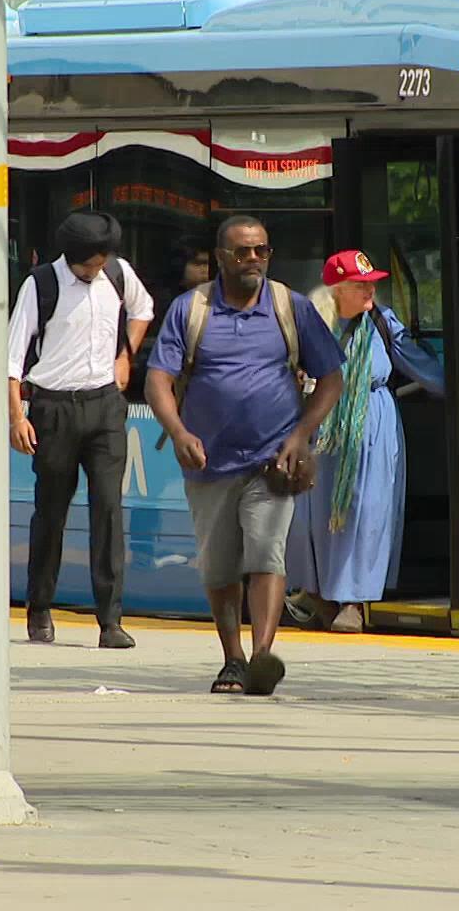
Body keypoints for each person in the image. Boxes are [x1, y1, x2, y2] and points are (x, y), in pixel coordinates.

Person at [145, 215, 345, 696]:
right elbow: (157, 380)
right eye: (242, 252)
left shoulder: (289, 306)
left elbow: (332, 378)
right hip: (208, 462)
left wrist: (299, 436)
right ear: (220, 258)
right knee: (218, 567)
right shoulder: (190, 309)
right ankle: (231, 658)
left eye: (261, 250)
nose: (253, 259)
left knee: (266, 553)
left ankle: (260, 657)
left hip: (272, 460)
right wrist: (178, 431)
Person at [7, 212, 154, 649]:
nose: (95, 272)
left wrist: (126, 355)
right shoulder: (40, 285)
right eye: (88, 266)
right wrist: (18, 417)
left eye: (101, 263)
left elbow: (143, 309)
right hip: (54, 408)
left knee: (108, 509)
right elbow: (13, 361)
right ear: (71, 258)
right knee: (51, 512)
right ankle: (40, 608)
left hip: (105, 406)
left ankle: (110, 620)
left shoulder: (117, 273)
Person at [286, 250, 446, 633]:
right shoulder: (309, 323)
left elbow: (422, 368)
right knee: (319, 512)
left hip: (373, 421)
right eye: (362, 287)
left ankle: (354, 600)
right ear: (338, 290)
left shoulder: (381, 321)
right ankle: (317, 591)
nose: (371, 294)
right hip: (323, 423)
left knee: (368, 509)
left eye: (372, 284)